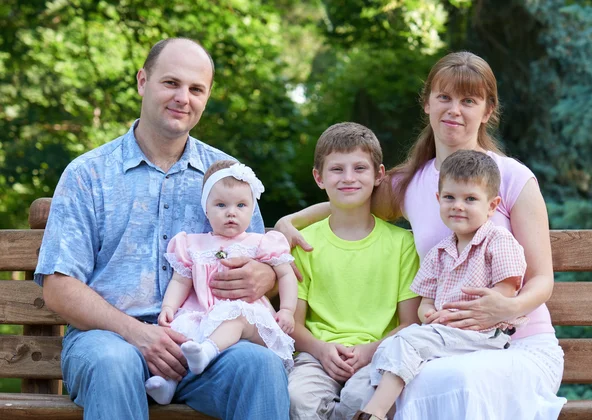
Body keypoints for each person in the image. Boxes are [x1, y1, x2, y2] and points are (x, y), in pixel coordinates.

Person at [276, 51, 566, 419]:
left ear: (487, 111)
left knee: (453, 380)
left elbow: (542, 279)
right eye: (444, 97)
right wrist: (290, 221)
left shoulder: (512, 178)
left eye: (468, 101)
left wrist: (509, 306)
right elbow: (349, 199)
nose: (454, 110)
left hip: (516, 344)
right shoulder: (411, 183)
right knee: (410, 380)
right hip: (441, 345)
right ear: (427, 103)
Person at [34, 38, 290, 420]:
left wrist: (266, 275)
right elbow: (58, 285)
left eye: (196, 89)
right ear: (142, 81)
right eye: (171, 83)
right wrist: (139, 334)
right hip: (108, 339)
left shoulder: (227, 175)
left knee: (260, 367)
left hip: (203, 342)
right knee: (112, 363)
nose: (182, 98)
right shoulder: (88, 174)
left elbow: (260, 260)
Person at [353, 150, 529, 420]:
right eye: (450, 197)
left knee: (407, 341)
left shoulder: (498, 241)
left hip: (483, 333)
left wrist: (461, 315)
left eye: (470, 199)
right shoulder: (439, 252)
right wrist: (430, 314)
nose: (458, 205)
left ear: (492, 206)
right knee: (392, 346)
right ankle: (372, 406)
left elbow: (506, 291)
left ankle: (374, 414)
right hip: (443, 333)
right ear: (438, 200)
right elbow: (425, 303)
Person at [287, 122, 421, 420]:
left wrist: (369, 351)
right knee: (297, 398)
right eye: (337, 170)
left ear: (379, 175)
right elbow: (293, 324)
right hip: (317, 355)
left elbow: (410, 324)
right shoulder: (305, 243)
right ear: (318, 178)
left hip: (380, 355)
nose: (348, 178)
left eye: (360, 168)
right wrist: (321, 350)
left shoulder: (402, 244)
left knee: (362, 400)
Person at [145, 159, 297, 405]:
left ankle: (208, 351)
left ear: (252, 209)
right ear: (206, 209)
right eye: (221, 205)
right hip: (203, 313)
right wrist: (169, 308)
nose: (231, 212)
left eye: (241, 205)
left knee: (234, 317)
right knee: (181, 334)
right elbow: (180, 281)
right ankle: (168, 385)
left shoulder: (260, 242)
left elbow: (286, 274)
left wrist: (287, 310)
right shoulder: (192, 244)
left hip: (247, 316)